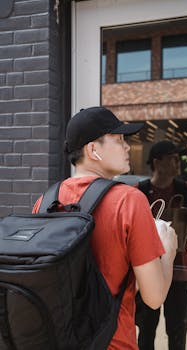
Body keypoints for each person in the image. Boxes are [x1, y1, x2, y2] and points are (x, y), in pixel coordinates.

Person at [32, 107, 177, 350]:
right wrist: (168, 249)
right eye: (119, 139)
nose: (128, 146)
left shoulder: (45, 201)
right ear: (93, 150)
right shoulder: (129, 201)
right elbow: (154, 297)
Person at [136, 140, 187, 350]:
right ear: (157, 163)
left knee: (177, 334)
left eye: (178, 158)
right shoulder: (139, 191)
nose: (178, 163)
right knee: (146, 332)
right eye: (173, 158)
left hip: (180, 272)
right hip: (148, 270)